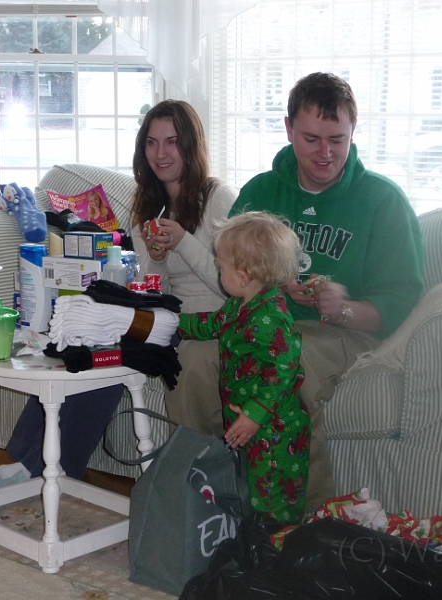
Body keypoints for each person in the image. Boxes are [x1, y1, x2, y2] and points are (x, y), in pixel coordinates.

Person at [164, 73, 425, 511]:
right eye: (311, 139)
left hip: (345, 334)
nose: (325, 153)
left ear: (353, 132)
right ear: (288, 129)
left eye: (337, 140)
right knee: (190, 361)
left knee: (286, 368)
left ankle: (303, 518)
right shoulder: (261, 192)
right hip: (262, 323)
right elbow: (234, 271)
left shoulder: (383, 201)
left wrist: (343, 308)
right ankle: (198, 499)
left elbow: (401, 303)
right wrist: (276, 281)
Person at [0, 100, 237, 481]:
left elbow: (229, 284)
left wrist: (182, 241)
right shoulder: (148, 205)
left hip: (207, 320)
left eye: (171, 142)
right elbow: (154, 290)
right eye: (151, 142)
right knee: (82, 336)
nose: (161, 153)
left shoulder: (219, 197)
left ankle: (54, 468)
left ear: (191, 144)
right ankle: (26, 459)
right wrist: (156, 258)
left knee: (115, 348)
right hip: (163, 318)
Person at [177, 211, 310, 522]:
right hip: (249, 424)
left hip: (273, 430)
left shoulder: (271, 317)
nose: (218, 271)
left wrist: (254, 414)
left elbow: (281, 372)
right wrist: (173, 322)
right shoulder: (240, 304)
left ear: (243, 275)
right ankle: (251, 535)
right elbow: (213, 323)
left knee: (272, 497)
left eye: (221, 267)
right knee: (248, 486)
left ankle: (275, 542)